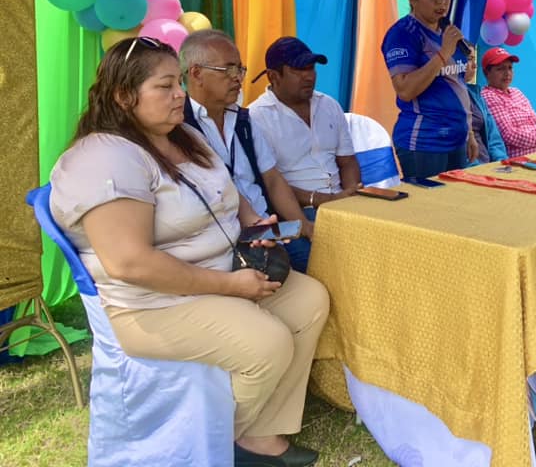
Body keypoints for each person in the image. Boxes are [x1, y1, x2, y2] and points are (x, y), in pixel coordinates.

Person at [48, 36, 329, 467]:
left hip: (221, 273)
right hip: (154, 304)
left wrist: (257, 227)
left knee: (310, 299)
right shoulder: (104, 158)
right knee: (267, 343)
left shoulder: (182, 137)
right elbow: (130, 262)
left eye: (177, 83)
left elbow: (227, 192)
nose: (179, 94)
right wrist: (231, 286)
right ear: (123, 96)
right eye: (164, 87)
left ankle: (259, 433)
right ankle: (211, 441)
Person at [179, 29, 316, 274]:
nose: (238, 78)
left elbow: (273, 179)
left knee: (328, 255)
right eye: (228, 69)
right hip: (223, 239)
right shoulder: (179, 125)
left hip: (267, 228)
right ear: (196, 73)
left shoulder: (243, 120)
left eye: (240, 69)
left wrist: (302, 224)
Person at [380, 0, 479, 179]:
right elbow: (405, 90)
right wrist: (443, 54)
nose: (441, 1)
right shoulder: (403, 34)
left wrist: (470, 132)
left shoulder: (449, 32)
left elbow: (459, 85)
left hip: (457, 138)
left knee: (455, 200)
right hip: (424, 141)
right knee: (429, 201)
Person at [248, 37, 360, 217]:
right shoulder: (256, 117)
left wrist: (352, 195)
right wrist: (323, 200)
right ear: (273, 76)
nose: (309, 76)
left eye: (311, 68)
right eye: (298, 70)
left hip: (342, 203)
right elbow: (269, 183)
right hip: (297, 211)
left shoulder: (329, 105)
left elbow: (347, 162)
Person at [480, 47, 536, 158]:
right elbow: (509, 135)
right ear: (486, 73)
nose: (507, 73)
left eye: (510, 68)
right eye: (500, 69)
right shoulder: (488, 95)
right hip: (519, 158)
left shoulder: (516, 92)